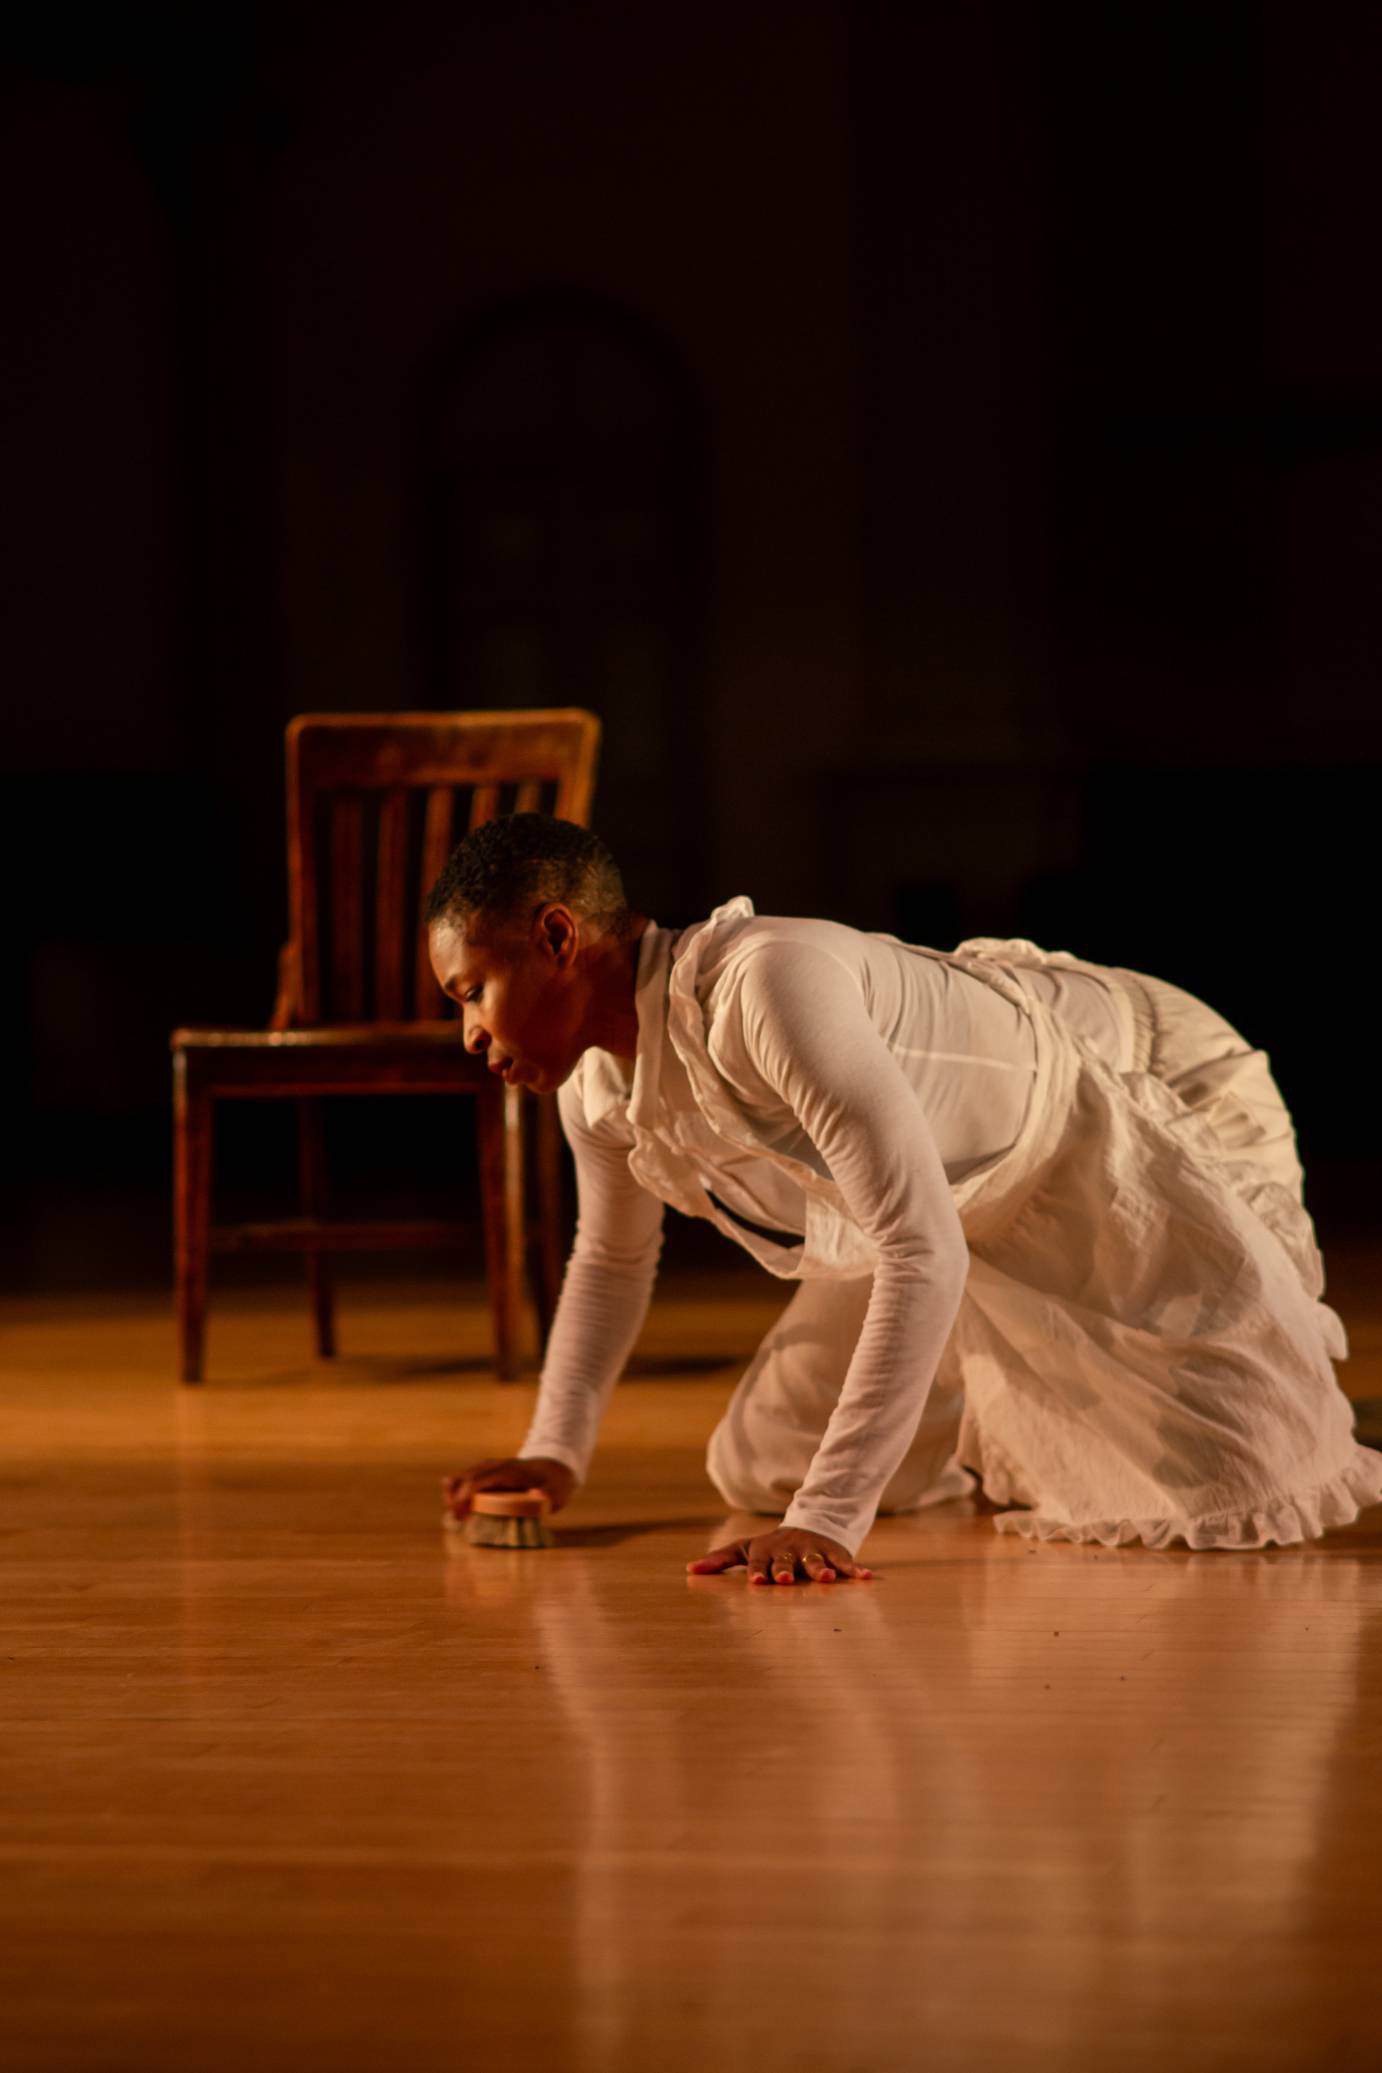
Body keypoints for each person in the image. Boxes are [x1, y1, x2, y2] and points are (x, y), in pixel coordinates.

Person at [430, 813, 1382, 1586]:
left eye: (472, 990)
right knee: (761, 1462)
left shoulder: (765, 982)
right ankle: (1009, 1398)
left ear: (558, 935)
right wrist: (555, 1451)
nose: (469, 1031)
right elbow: (611, 1259)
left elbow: (921, 1250)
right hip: (941, 1219)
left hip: (1118, 1102)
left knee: (1245, 1477)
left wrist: (829, 1521)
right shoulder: (599, 1088)